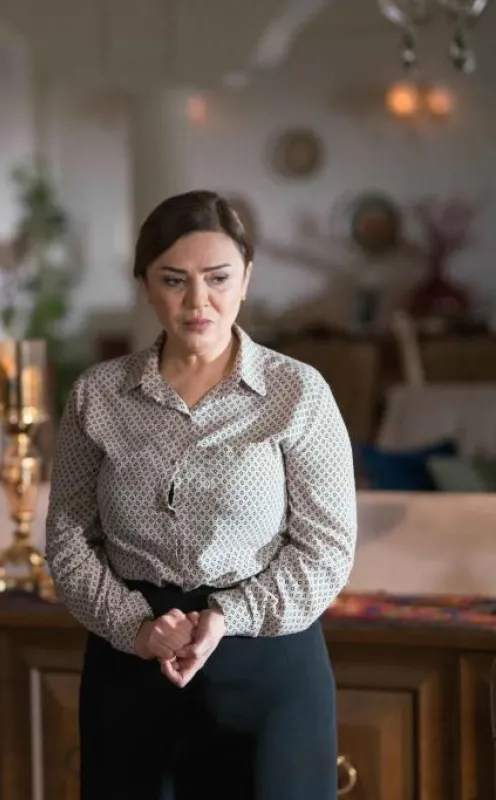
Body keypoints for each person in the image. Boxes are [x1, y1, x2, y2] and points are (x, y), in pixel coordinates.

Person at [44, 189, 356, 799]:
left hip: (269, 669)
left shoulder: (299, 393)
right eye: (173, 280)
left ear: (246, 279)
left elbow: (327, 550)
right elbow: (69, 541)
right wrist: (138, 628)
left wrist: (226, 616)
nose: (198, 301)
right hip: (132, 668)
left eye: (218, 278)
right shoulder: (97, 396)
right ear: (144, 284)